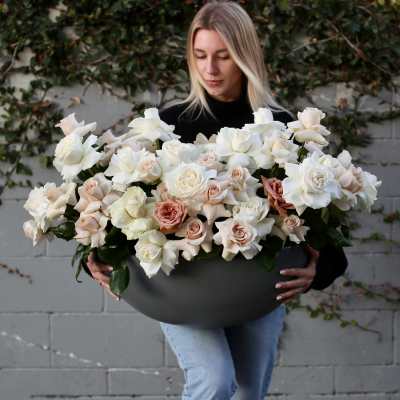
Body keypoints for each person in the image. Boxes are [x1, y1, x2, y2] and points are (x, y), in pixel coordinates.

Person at [86, 1, 348, 399]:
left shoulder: (281, 128)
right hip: (184, 287)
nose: (210, 68)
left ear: (245, 57)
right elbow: (117, 205)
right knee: (213, 379)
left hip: (257, 286)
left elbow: (323, 221)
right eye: (200, 55)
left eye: (223, 56)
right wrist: (96, 255)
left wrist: (319, 269)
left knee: (248, 392)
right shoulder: (167, 126)